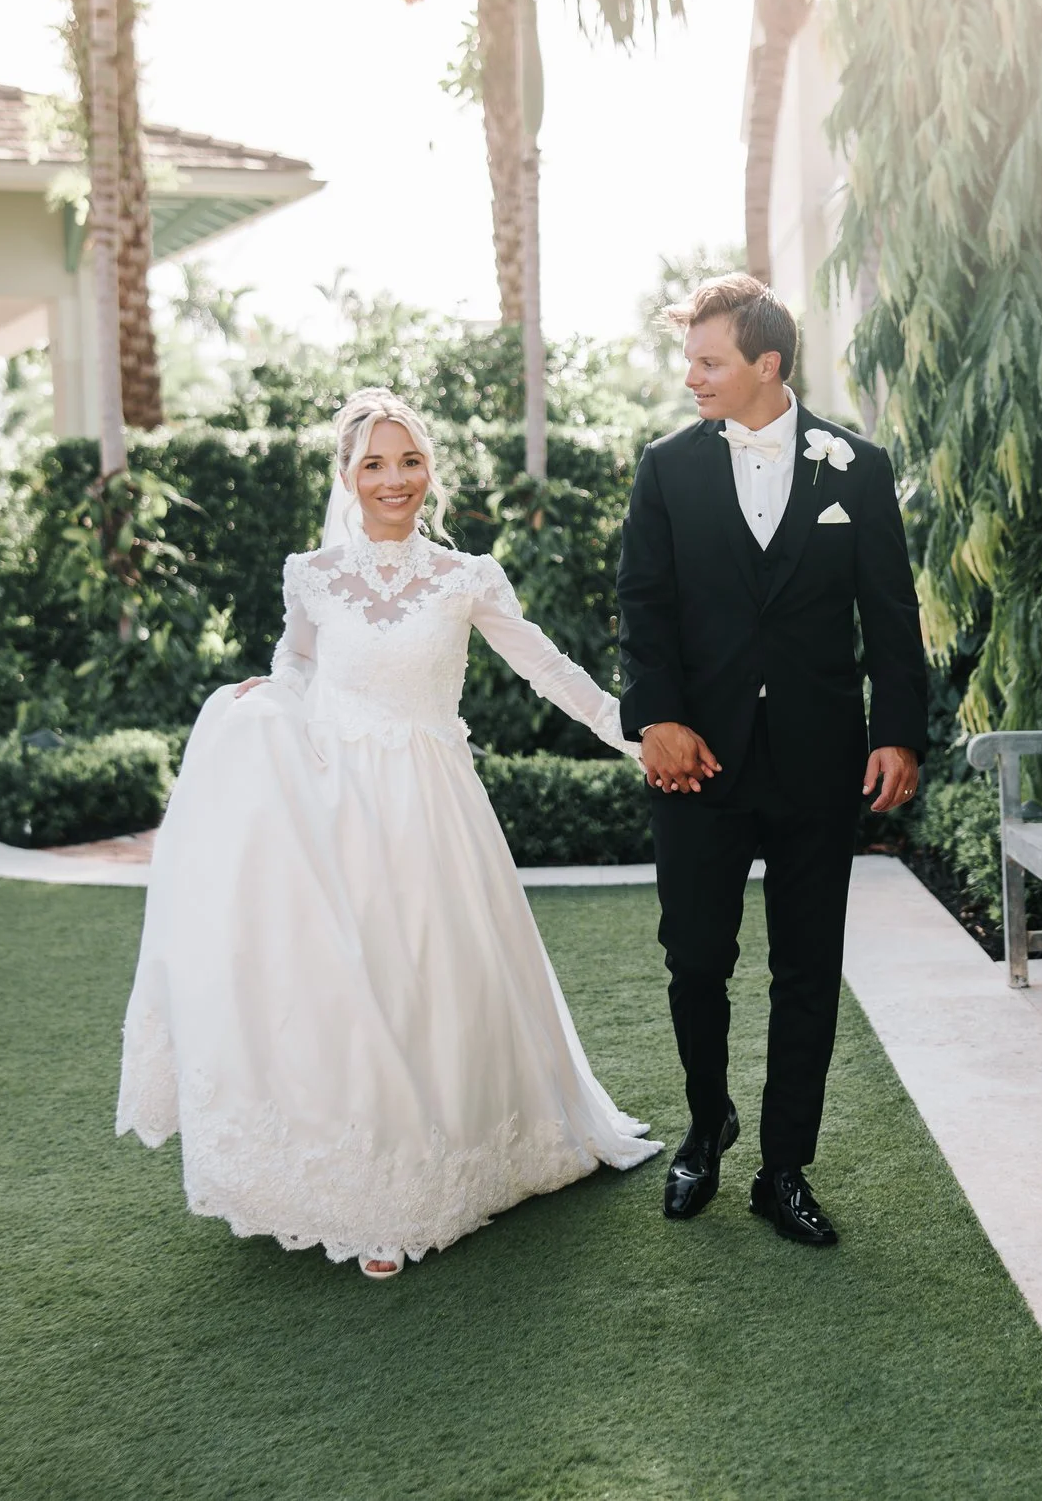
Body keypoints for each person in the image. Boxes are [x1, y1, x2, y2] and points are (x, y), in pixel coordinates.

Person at [115, 388, 660, 1279]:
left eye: (408, 461)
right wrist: (266, 693)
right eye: (375, 464)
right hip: (333, 805)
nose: (394, 479)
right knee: (349, 990)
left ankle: (442, 1168)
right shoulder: (313, 575)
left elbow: (544, 665)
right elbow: (296, 660)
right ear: (348, 476)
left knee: (430, 982)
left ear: (428, 471)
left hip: (432, 807)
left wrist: (625, 730)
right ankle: (364, 1182)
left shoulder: (465, 577)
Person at [617, 275, 930, 1247]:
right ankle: (706, 1125)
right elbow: (644, 608)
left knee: (807, 966)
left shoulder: (858, 467)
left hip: (816, 757)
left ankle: (783, 1166)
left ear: (768, 364)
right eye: (689, 358)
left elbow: (889, 613)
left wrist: (899, 731)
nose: (690, 376)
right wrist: (653, 719)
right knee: (696, 958)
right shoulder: (665, 468)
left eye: (707, 360)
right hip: (697, 762)